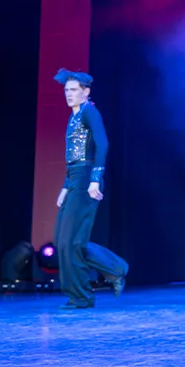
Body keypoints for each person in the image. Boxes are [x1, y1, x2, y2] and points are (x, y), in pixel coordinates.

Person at [53, 69, 128, 309]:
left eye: (74, 90)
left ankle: (82, 296)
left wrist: (95, 179)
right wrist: (65, 187)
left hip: (87, 178)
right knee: (63, 241)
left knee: (72, 241)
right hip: (75, 178)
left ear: (86, 92)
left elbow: (102, 144)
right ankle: (115, 269)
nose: (69, 94)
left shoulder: (89, 112)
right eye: (66, 90)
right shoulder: (74, 116)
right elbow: (73, 157)